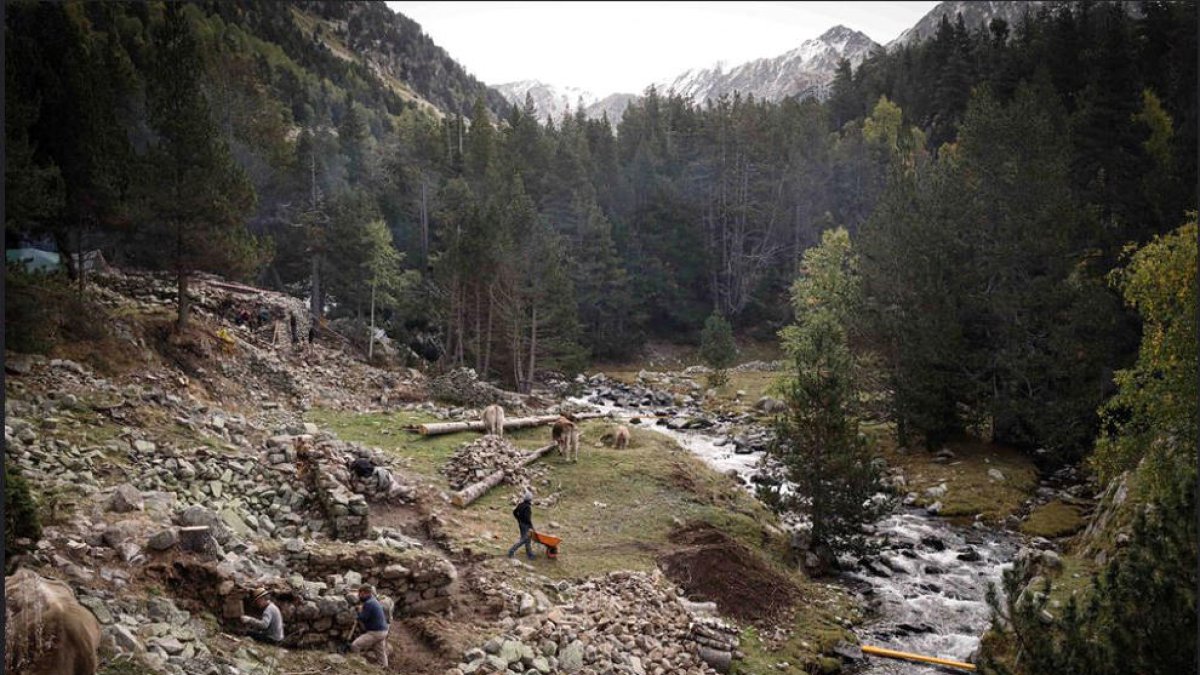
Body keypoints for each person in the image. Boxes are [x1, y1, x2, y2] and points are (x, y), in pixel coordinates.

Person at [351, 584, 389, 667]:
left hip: (375, 632)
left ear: (365, 593)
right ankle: (384, 667)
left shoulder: (369, 603)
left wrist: (358, 611)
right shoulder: (373, 600)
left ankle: (357, 665)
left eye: (360, 594)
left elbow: (363, 618)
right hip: (384, 631)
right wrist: (363, 609)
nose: (359, 596)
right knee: (380, 650)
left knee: (355, 645)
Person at [506, 489, 536, 560]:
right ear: (530, 499)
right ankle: (511, 551)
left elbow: (514, 512)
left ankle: (530, 554)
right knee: (523, 540)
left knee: (528, 540)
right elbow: (527, 518)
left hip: (521, 524)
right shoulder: (527, 507)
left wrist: (518, 519)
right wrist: (531, 526)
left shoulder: (520, 505)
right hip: (526, 526)